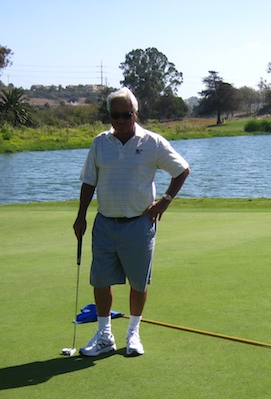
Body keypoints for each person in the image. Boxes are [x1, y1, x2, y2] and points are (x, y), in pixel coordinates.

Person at [73, 87, 190, 357]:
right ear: (110, 116)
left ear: (135, 114)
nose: (121, 120)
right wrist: (80, 216)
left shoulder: (152, 142)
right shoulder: (100, 143)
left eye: (126, 114)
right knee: (100, 281)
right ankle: (105, 336)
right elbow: (89, 181)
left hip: (139, 223)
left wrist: (165, 201)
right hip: (105, 223)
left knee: (139, 283)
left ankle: (133, 333)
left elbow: (182, 170)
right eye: (116, 115)